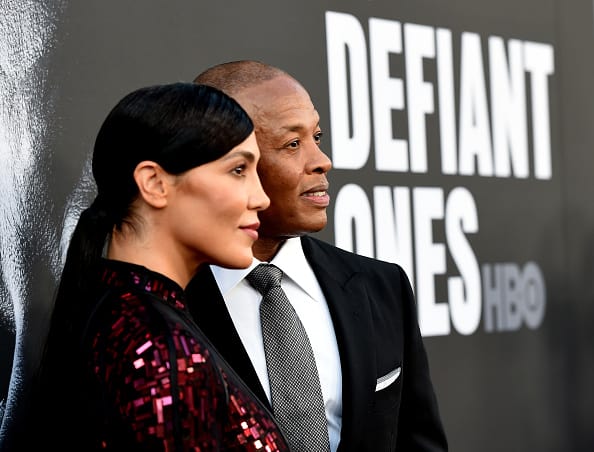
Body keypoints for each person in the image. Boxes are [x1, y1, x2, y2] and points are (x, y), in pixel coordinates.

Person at [185, 60, 449, 451]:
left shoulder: (381, 287)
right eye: (293, 144)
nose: (322, 161)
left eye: (317, 137)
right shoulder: (165, 303)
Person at [19, 82, 290, 451]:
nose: (261, 198)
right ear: (154, 183)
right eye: (238, 169)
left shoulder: (117, 313)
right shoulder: (161, 345)